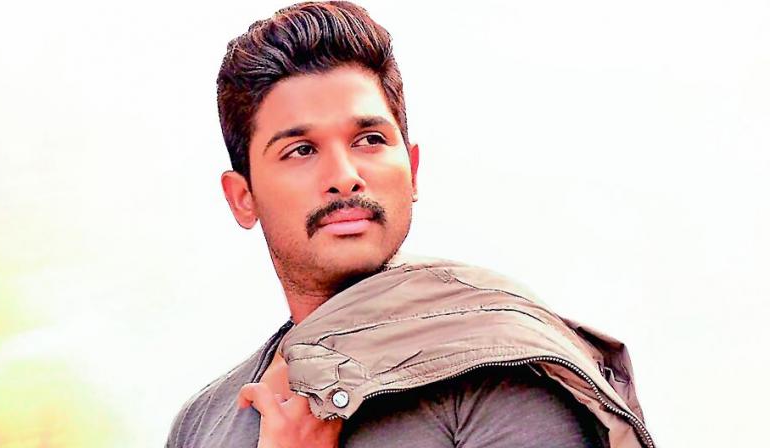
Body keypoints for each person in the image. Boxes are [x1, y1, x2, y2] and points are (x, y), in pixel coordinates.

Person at [165, 2, 652, 447]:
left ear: (413, 171)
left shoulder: (497, 369)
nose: (345, 176)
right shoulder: (203, 423)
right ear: (243, 198)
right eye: (302, 150)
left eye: (370, 140)